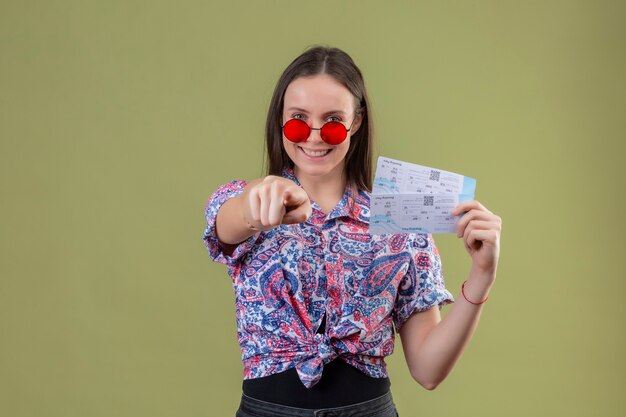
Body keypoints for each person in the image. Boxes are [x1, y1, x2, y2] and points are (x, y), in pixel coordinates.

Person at [202, 45, 502, 417]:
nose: (313, 137)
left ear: (355, 122)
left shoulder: (400, 222)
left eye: (331, 122)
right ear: (279, 121)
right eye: (298, 120)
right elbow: (228, 225)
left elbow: (428, 371)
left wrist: (482, 275)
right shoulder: (246, 201)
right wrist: (256, 207)